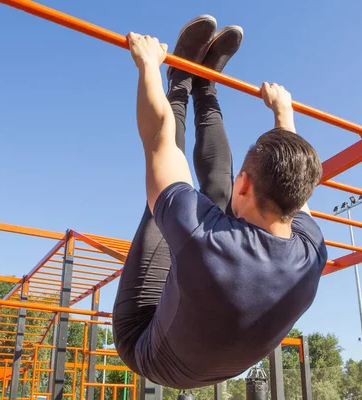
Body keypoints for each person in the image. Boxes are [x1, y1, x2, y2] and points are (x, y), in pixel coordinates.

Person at [112, 15, 327, 389]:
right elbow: (297, 175)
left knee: (163, 209)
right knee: (214, 198)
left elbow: (159, 140)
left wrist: (149, 67)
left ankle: (180, 82)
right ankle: (206, 87)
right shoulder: (311, 251)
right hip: (213, 360)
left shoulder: (203, 239)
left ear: (244, 183)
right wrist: (284, 114)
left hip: (144, 342)